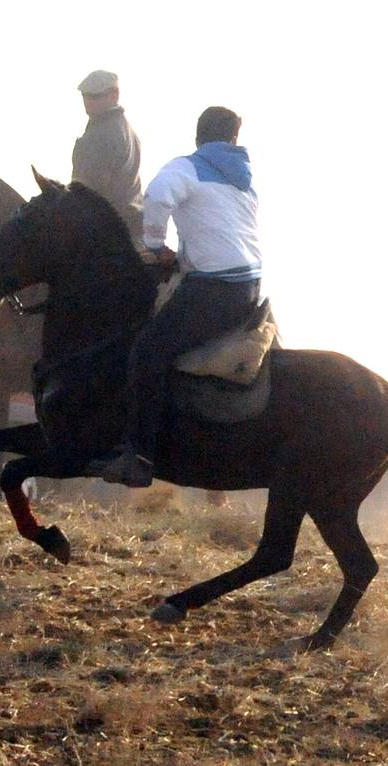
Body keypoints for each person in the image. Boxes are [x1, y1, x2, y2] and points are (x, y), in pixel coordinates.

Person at [94, 106, 263, 487]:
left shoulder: (186, 167)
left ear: (198, 134)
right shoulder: (245, 181)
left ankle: (139, 456)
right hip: (248, 287)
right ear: (234, 138)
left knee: (147, 351)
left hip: (213, 289)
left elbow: (157, 195)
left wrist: (155, 246)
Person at [71, 69, 144, 241]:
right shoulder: (125, 128)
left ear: (114, 94)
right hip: (130, 226)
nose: (88, 102)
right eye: (85, 96)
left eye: (95, 96)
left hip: (106, 231)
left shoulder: (102, 134)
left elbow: (85, 191)